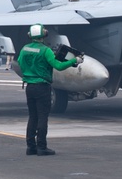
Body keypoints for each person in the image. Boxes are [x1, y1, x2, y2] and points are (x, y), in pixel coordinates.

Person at [16, 24, 79, 156]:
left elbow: (20, 63)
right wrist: (74, 60)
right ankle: (42, 147)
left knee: (32, 117)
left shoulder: (24, 49)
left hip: (30, 87)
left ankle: (30, 147)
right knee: (42, 117)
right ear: (44, 34)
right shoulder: (45, 50)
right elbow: (58, 66)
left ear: (30, 35)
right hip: (42, 87)